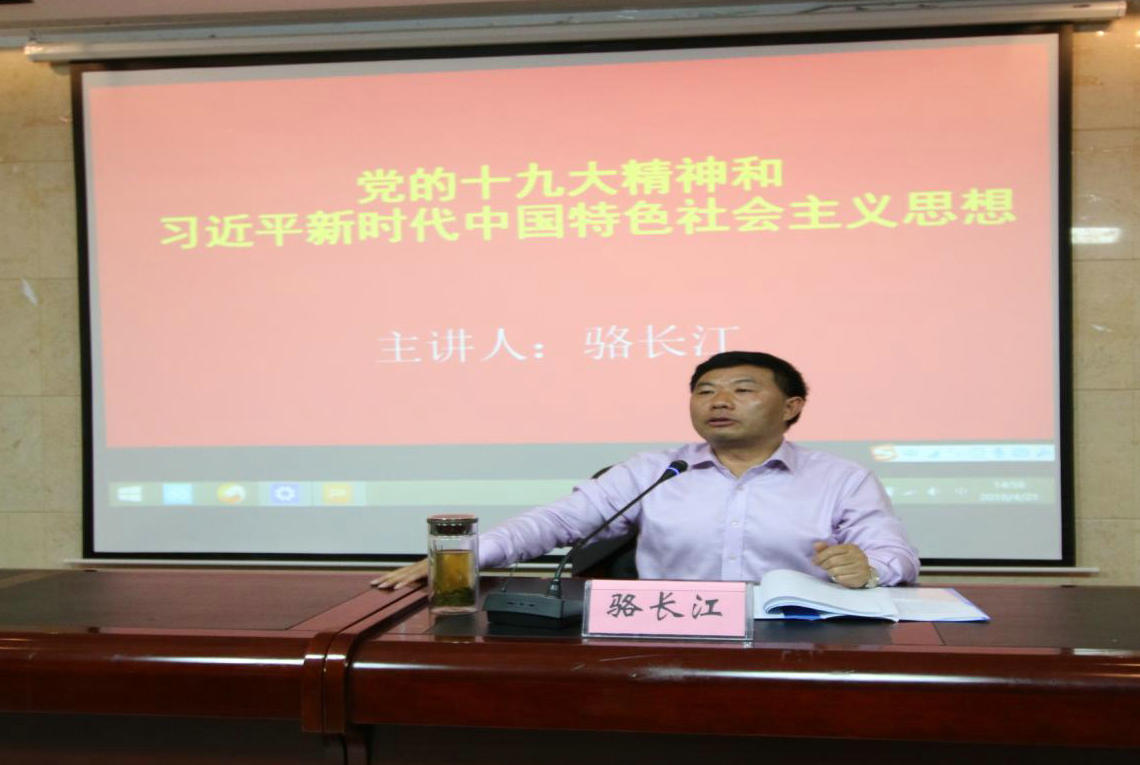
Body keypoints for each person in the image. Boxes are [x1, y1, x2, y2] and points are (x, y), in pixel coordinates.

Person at [373, 350, 919, 590]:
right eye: (704, 391)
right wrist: (460, 558)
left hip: (796, 640)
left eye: (742, 389)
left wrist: (868, 569)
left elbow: (896, 556)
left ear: (791, 406)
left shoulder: (840, 479)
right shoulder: (657, 470)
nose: (719, 401)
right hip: (670, 633)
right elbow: (559, 522)